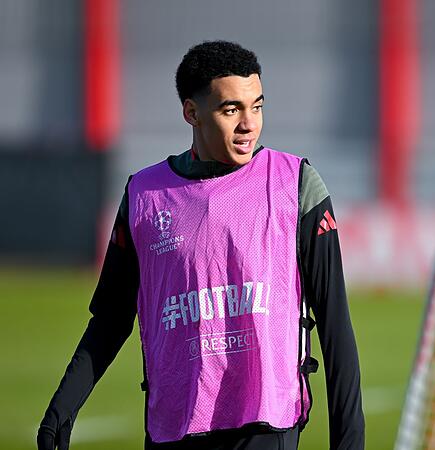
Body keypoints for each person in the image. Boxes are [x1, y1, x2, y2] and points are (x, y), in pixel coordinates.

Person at [37, 40, 365, 450]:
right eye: (231, 110)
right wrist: (60, 412)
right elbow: (110, 319)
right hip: (174, 425)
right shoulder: (145, 195)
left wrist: (349, 442)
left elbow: (335, 325)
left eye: (257, 106)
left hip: (266, 424)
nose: (249, 124)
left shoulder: (295, 184)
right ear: (192, 112)